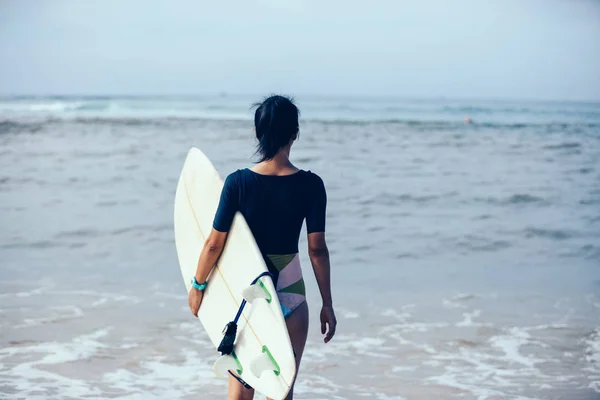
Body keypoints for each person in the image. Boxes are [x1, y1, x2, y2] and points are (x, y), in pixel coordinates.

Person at [187, 95, 337, 400]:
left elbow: (214, 244)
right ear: (295, 133)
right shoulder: (312, 185)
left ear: (258, 133)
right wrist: (327, 304)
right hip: (291, 292)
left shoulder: (237, 183)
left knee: (240, 392)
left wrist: (198, 285)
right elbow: (317, 250)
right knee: (279, 391)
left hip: (248, 296)